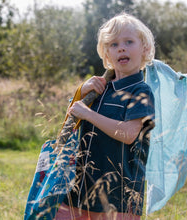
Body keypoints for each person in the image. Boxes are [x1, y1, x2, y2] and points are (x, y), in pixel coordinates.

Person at [55, 12, 155, 220]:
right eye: (113, 44)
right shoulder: (100, 88)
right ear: (107, 54)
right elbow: (69, 125)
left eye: (129, 41)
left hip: (120, 191)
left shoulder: (141, 91)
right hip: (81, 183)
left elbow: (128, 133)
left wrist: (89, 114)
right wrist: (80, 93)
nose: (121, 47)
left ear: (144, 49)